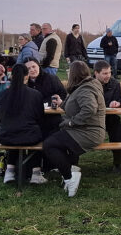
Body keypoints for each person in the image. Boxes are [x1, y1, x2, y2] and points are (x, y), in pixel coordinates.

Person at [44, 60, 106, 197]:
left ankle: (69, 177)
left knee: (49, 145)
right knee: (54, 140)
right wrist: (62, 104)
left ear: (73, 74)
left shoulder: (86, 89)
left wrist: (72, 123)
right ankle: (70, 169)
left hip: (89, 132)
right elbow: (76, 106)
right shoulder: (83, 86)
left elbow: (89, 109)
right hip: (84, 129)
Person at [0, 63, 46, 185]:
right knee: (37, 133)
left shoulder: (2, 94)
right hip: (29, 136)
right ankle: (36, 173)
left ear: (11, 76)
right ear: (26, 76)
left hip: (5, 135)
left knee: (15, 131)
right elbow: (40, 117)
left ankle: (10, 171)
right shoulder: (35, 94)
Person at [94, 60, 121, 171]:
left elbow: (117, 99)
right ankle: (73, 164)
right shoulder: (89, 84)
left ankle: (118, 163)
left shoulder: (115, 83)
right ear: (96, 73)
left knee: (117, 132)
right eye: (105, 73)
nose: (108, 75)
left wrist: (116, 102)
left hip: (110, 116)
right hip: (93, 117)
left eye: (109, 72)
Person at [25, 58, 67, 136]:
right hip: (32, 118)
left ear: (38, 66)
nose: (32, 70)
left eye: (34, 66)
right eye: (28, 68)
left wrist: (54, 101)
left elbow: (62, 94)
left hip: (51, 115)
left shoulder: (51, 78)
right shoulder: (24, 83)